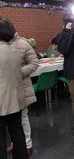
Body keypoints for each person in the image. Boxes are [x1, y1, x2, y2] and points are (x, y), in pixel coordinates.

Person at [3, 16, 39, 157]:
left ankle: (27, 144)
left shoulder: (23, 43)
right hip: (3, 89)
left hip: (20, 87)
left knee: (22, 118)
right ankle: (15, 143)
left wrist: (17, 72)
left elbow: (34, 64)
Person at [0, 17, 28, 159]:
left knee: (1, 135)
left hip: (1, 100)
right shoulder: (14, 51)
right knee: (17, 131)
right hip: (15, 99)